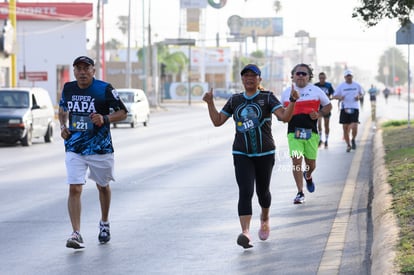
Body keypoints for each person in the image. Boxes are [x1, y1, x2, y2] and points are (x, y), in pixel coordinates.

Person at [202, 64, 299, 249]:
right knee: (245, 191)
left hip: (265, 152)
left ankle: (265, 217)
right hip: (242, 153)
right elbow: (217, 121)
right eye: (245, 76)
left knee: (262, 192)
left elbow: (284, 117)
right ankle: (245, 233)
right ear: (242, 80)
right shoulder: (235, 100)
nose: (249, 79)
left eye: (253, 76)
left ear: (259, 80)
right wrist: (210, 103)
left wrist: (293, 102)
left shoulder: (267, 97)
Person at [58, 56, 128, 249]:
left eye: (85, 68)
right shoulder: (68, 88)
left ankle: (104, 222)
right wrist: (63, 126)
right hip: (75, 146)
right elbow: (63, 109)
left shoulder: (104, 88)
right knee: (74, 187)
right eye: (78, 68)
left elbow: (123, 112)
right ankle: (76, 233)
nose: (82, 72)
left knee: (102, 186)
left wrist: (104, 118)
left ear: (93, 71)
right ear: (74, 71)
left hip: (100, 148)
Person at [281, 64, 332, 204]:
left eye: (304, 73)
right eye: (298, 73)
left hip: (311, 133)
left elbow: (328, 106)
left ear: (309, 76)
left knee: (311, 164)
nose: (301, 76)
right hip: (293, 133)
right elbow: (280, 112)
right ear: (293, 76)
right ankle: (300, 192)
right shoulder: (286, 92)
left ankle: (308, 175)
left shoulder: (316, 90)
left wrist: (319, 113)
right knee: (296, 161)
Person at [333, 69, 363, 152]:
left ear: (352, 76)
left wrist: (358, 97)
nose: (349, 78)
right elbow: (334, 96)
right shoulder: (341, 86)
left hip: (354, 107)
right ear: (345, 77)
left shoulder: (357, 85)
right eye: (347, 76)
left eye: (350, 76)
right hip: (344, 108)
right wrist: (340, 97)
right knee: (345, 128)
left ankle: (353, 139)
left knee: (354, 126)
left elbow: (362, 93)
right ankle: (348, 145)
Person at [314, 72, 335, 148]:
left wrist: (329, 98)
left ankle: (326, 140)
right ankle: (320, 140)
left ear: (325, 78)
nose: (322, 79)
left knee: (326, 125)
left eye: (323, 78)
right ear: (319, 78)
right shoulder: (316, 86)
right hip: (318, 107)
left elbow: (333, 94)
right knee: (319, 125)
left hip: (326, 107)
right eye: (320, 78)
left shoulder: (328, 85)